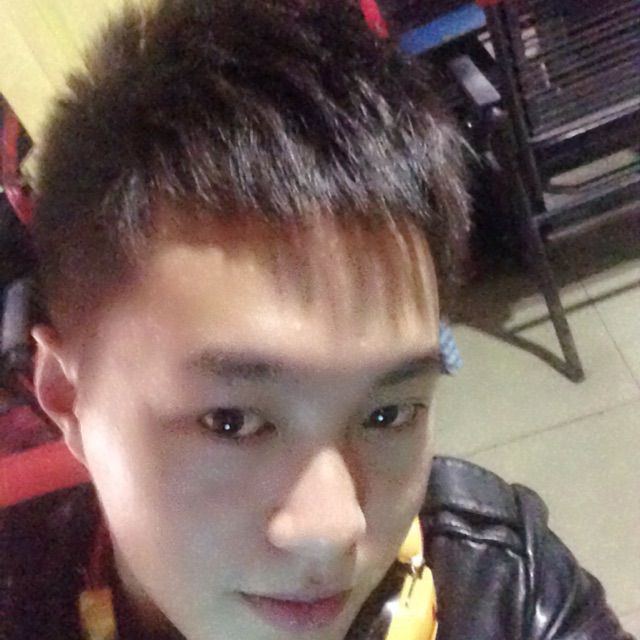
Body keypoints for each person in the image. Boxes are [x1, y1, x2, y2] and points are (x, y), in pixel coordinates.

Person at [0, 1, 633, 638]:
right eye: (230, 421)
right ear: (68, 397)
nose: (334, 530)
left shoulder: (506, 585)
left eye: (388, 414)